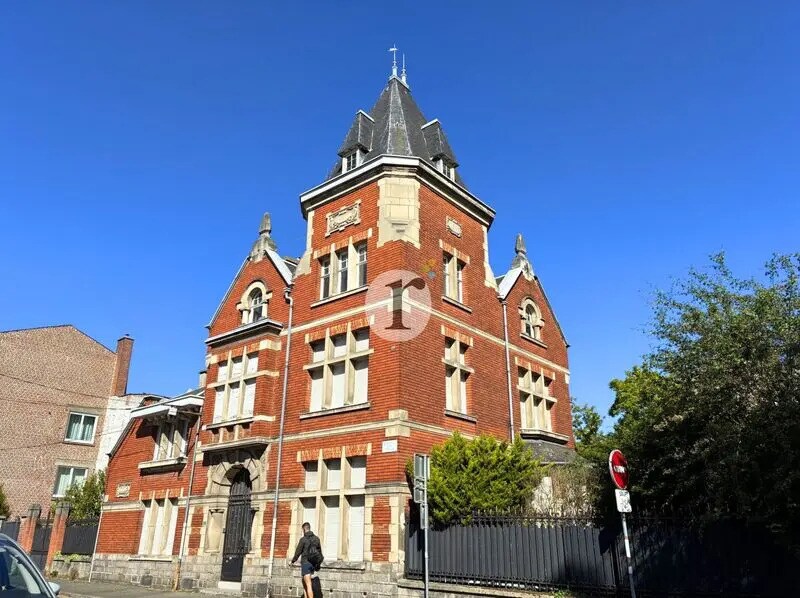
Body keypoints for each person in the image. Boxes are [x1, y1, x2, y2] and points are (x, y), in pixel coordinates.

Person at [290, 522, 321, 598]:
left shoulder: (303, 539)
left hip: (306, 563)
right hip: (312, 564)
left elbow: (298, 552)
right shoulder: (317, 539)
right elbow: (319, 553)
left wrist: (293, 561)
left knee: (308, 584)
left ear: (304, 529)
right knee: (304, 582)